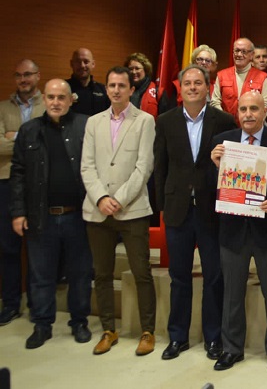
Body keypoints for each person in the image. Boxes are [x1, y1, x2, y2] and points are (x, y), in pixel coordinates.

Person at [153, 64, 237, 361]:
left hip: (211, 209)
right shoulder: (165, 121)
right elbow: (159, 166)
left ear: (207, 87)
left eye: (198, 83)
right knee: (179, 276)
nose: (192, 87)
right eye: (187, 83)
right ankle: (178, 337)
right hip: (177, 211)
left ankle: (213, 338)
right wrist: (162, 205)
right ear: (180, 88)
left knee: (214, 276)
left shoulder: (224, 120)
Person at [80, 66, 157, 356]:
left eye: (121, 86)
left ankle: (147, 331)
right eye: (111, 85)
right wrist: (101, 197)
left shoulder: (145, 120)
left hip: (132, 210)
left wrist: (119, 199)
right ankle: (108, 330)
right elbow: (86, 165)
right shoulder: (93, 122)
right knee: (101, 274)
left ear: (130, 89)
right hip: (97, 211)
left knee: (141, 273)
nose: (115, 90)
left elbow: (144, 166)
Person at [9, 79, 92, 348]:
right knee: (41, 274)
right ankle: (42, 325)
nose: (56, 102)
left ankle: (79, 322)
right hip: (40, 217)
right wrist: (18, 212)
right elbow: (18, 174)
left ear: (70, 100)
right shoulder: (29, 130)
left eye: (61, 97)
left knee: (79, 273)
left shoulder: (84, 126)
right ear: (43, 99)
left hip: (78, 215)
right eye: (51, 97)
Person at [209, 91, 267, 372]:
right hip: (232, 232)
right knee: (232, 293)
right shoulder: (222, 143)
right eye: (243, 109)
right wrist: (214, 164)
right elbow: (211, 188)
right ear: (237, 112)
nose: (248, 114)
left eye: (254, 108)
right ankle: (231, 349)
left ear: (265, 110)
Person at [0, 59, 45, 326]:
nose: (23, 79)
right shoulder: (2, 108)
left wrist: (11, 136)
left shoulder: (48, 103)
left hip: (41, 184)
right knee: (8, 247)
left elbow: (49, 141)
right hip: (6, 183)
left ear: (37, 76)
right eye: (18, 75)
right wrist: (28, 138)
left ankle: (39, 304)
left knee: (40, 248)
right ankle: (11, 303)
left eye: (27, 74)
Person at [210, 37, 267, 116]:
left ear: (251, 55)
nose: (239, 54)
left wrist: (254, 121)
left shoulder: (261, 77)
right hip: (227, 126)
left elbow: (266, 104)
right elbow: (215, 102)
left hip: (252, 124)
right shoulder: (222, 75)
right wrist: (225, 120)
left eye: (243, 52)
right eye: (237, 51)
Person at [67, 48, 110, 116]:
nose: (82, 65)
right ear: (71, 64)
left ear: (93, 64)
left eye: (86, 61)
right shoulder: (63, 88)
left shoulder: (103, 90)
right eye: (78, 61)